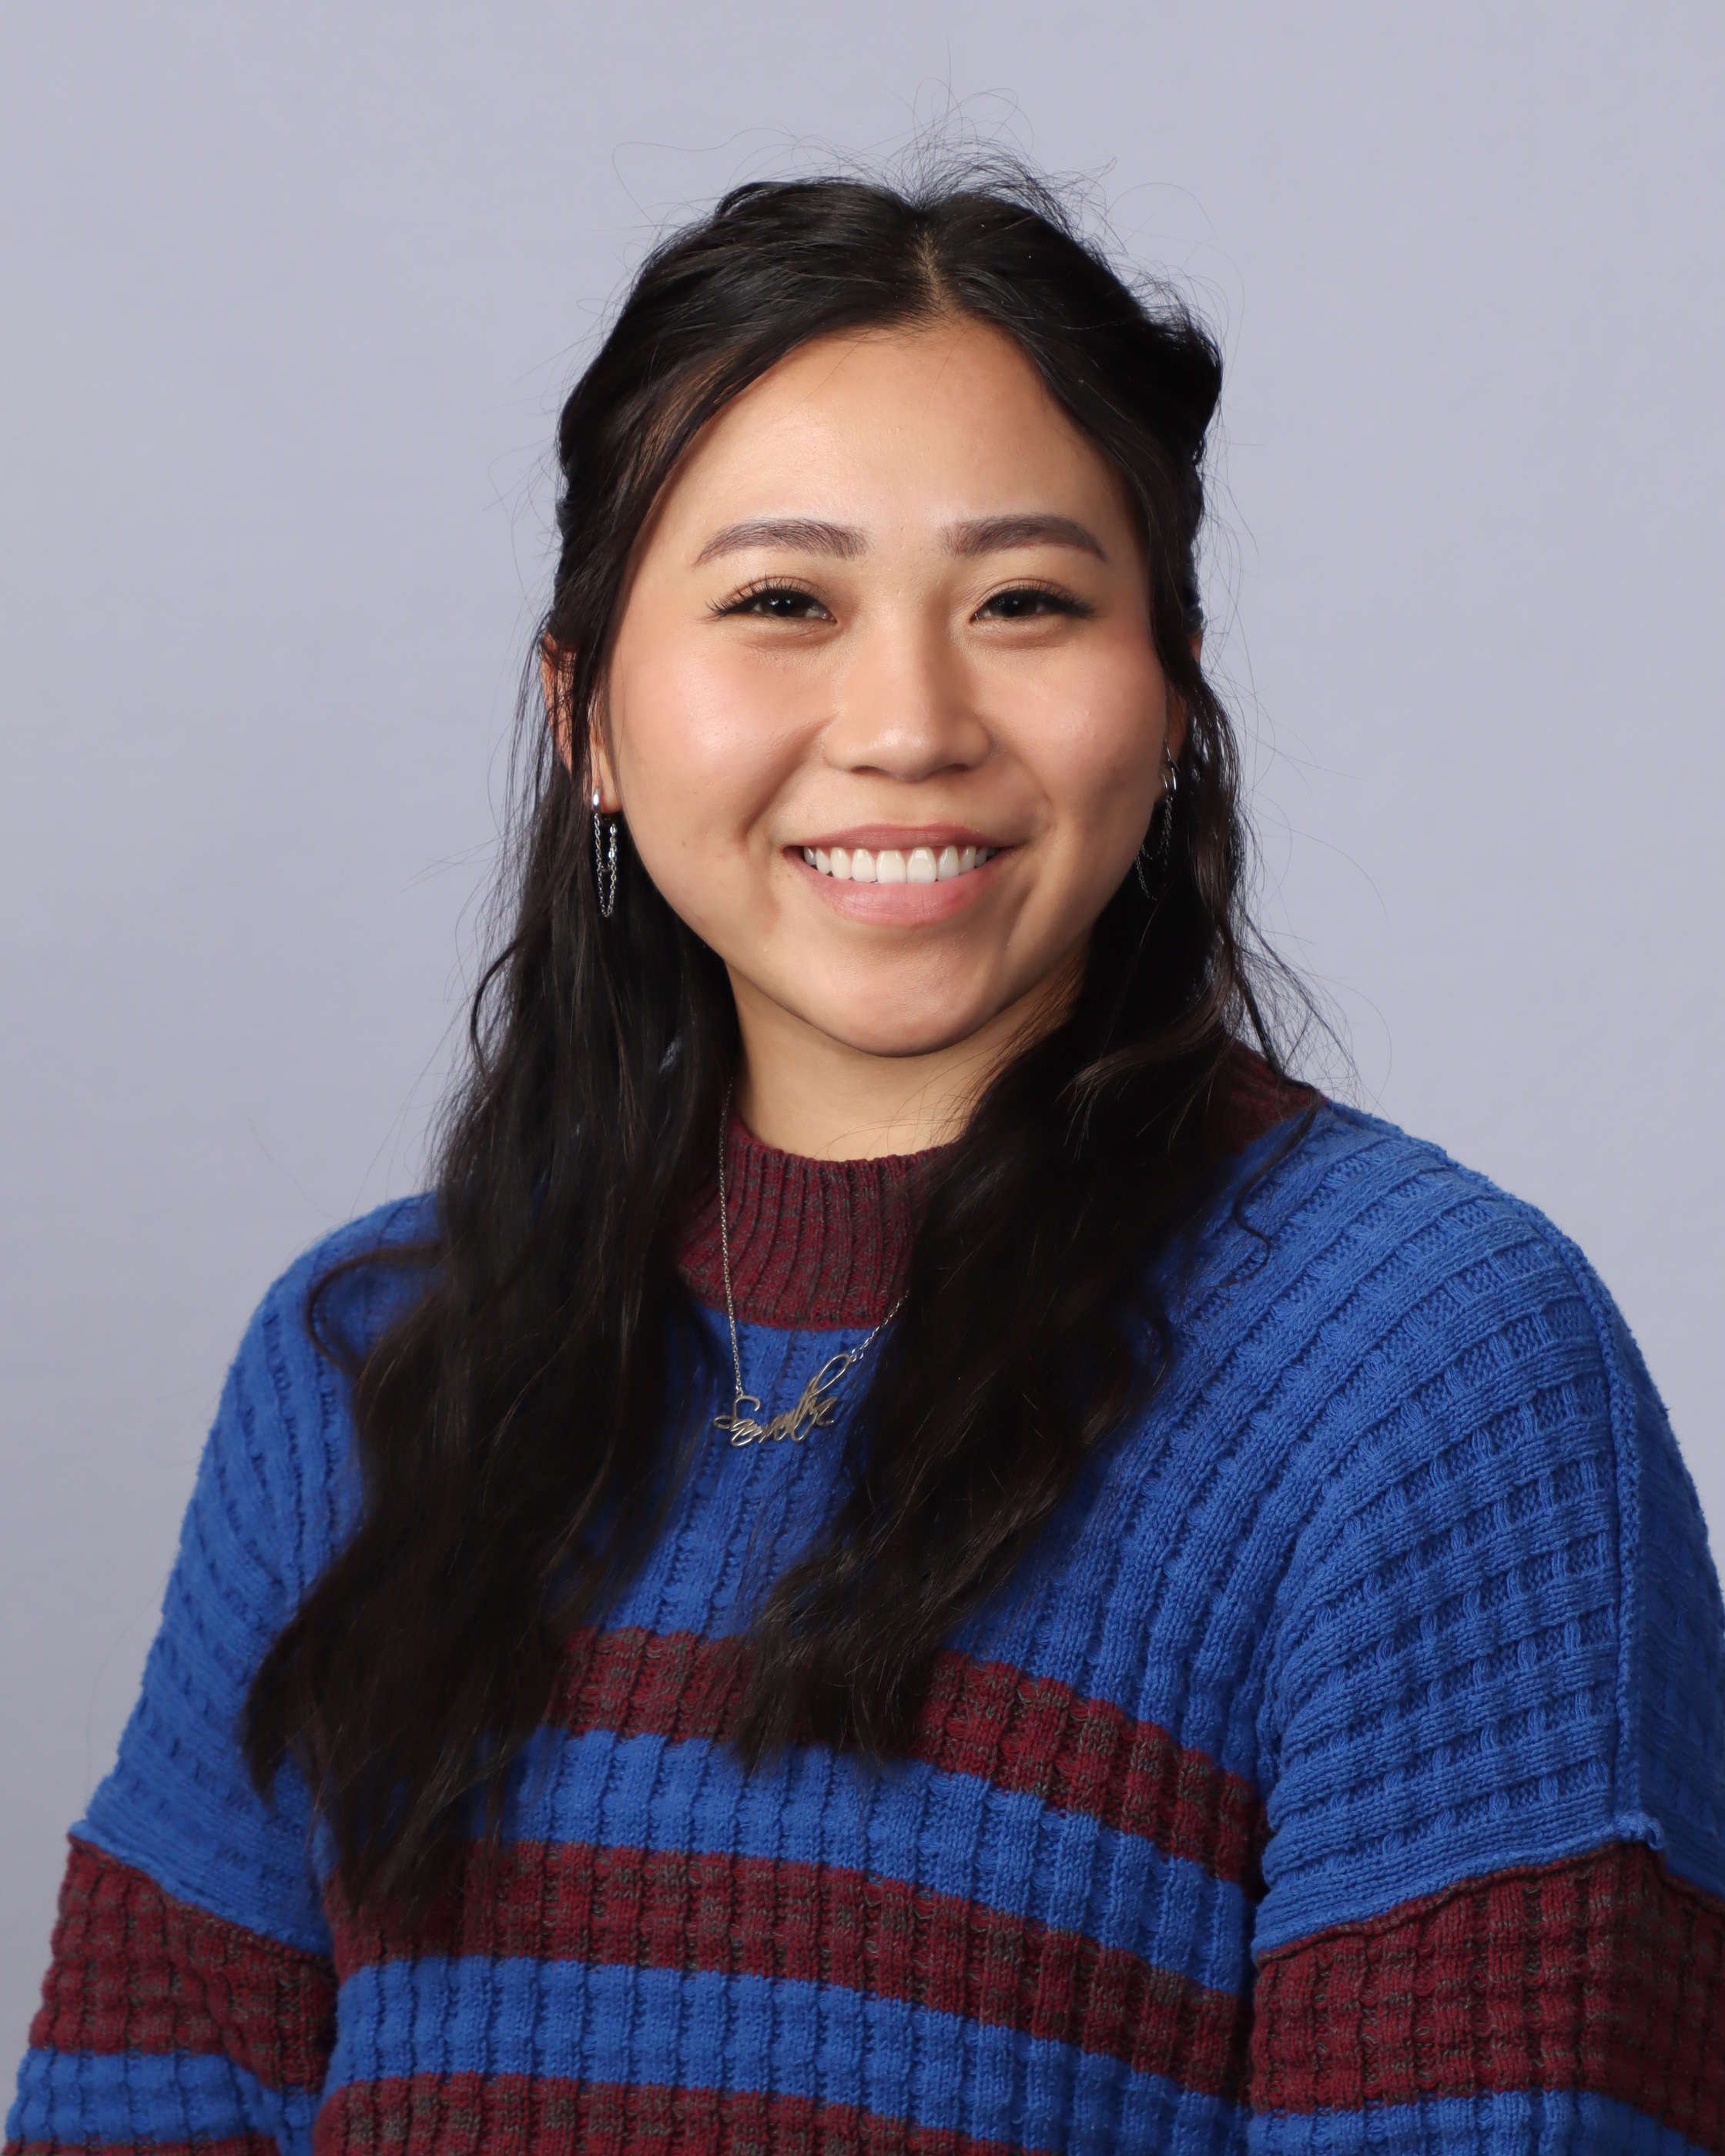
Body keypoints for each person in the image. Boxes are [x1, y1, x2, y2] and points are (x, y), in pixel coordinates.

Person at [8, 166, 1722, 2156]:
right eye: (781, 604)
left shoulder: (1428, 1373)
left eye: (1025, 604)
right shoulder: (367, 1371)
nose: (908, 725)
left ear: (1170, 691)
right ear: (586, 718)